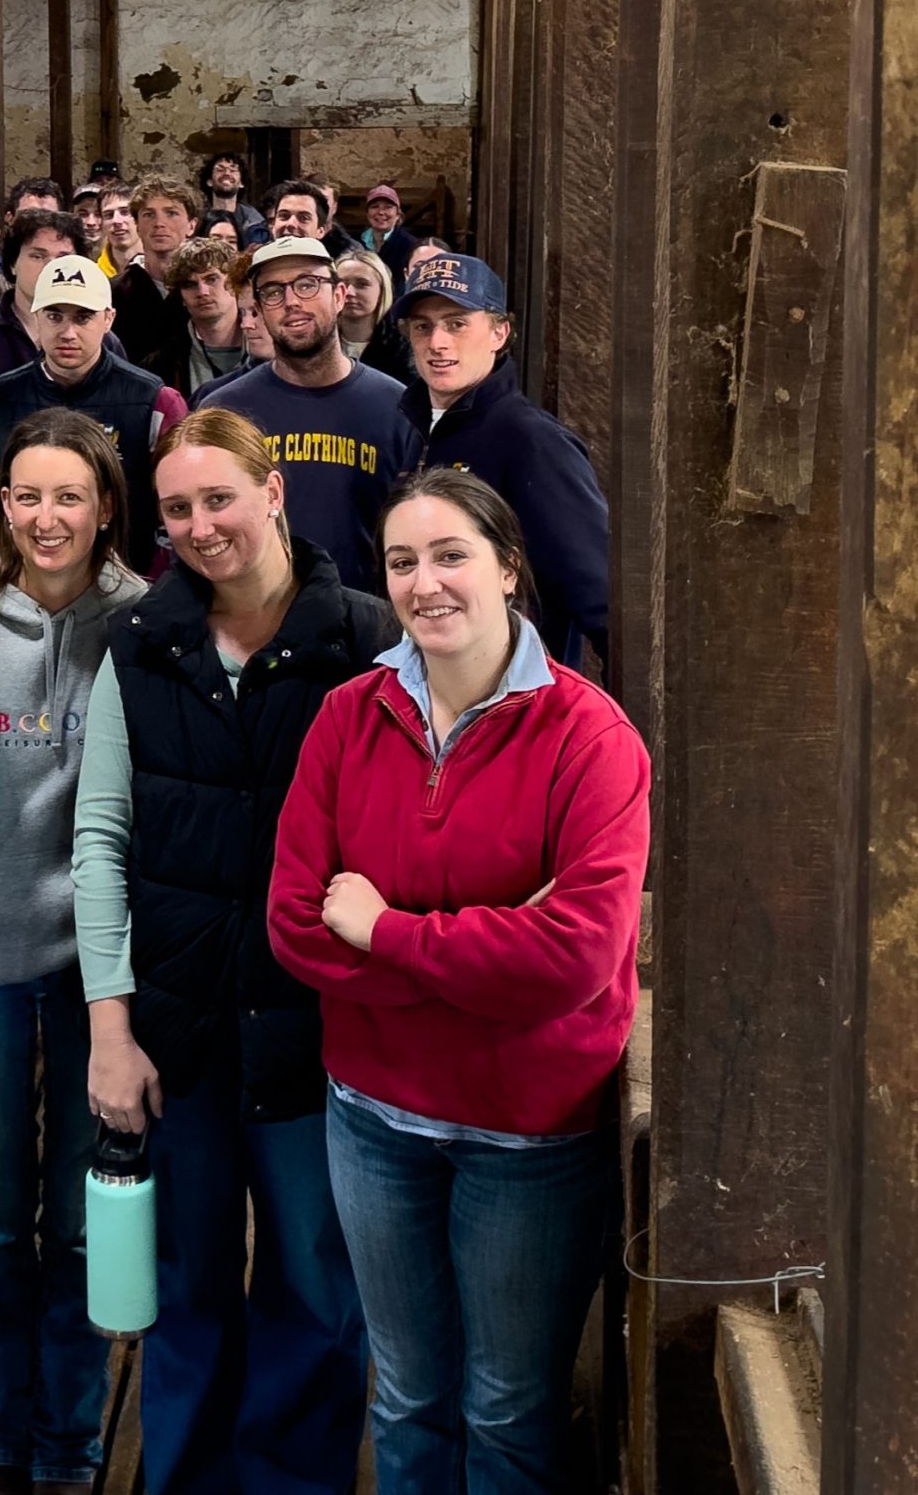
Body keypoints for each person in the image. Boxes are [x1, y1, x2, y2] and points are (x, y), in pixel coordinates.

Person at [268, 469, 649, 1494]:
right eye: (401, 562)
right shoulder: (350, 717)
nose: (425, 583)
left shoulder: (590, 739)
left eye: (451, 557)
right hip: (375, 1117)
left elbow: (574, 958)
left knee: (507, 1405)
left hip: (528, 1133)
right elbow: (297, 926)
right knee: (405, 1394)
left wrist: (387, 933)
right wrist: (488, 954)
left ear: (508, 571)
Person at [72, 407, 393, 1495]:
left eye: (220, 498)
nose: (202, 525)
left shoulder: (363, 640)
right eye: (177, 508)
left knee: (312, 1280)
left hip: (316, 1023)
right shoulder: (139, 644)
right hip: (182, 1019)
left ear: (273, 495)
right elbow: (101, 835)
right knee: (187, 1279)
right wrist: (108, 1026)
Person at [0, 412, 147, 1495]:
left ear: (105, 505)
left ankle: (67, 1441)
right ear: (3, 506)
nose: (47, 517)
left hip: (93, 969)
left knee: (77, 1215)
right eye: (27, 496)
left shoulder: (144, 621)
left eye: (70, 496)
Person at [393, 252, 610, 666]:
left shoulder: (532, 440)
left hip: (516, 694)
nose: (437, 343)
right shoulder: (417, 429)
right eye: (423, 327)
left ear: (499, 333)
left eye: (457, 324)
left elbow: (598, 594)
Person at [205, 238, 423, 596]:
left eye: (307, 284)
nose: (291, 302)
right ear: (258, 310)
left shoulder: (398, 407)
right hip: (256, 621)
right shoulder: (223, 412)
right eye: (273, 292)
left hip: (367, 623)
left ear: (338, 296)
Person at [0, 256, 188, 569]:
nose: (68, 332)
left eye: (83, 318)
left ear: (108, 319)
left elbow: (178, 506)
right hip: (24, 582)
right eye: (55, 316)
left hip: (127, 581)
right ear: (35, 317)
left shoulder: (156, 402)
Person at [0, 196, 85, 399]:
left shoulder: (99, 336)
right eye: (38, 256)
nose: (51, 267)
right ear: (13, 263)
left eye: (63, 258)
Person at [112, 174, 201, 375]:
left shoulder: (206, 290)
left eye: (171, 213)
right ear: (137, 224)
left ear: (192, 225)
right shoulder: (114, 292)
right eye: (149, 214)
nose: (159, 223)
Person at [147, 236, 251, 401]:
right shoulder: (160, 365)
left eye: (211, 279)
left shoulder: (269, 348)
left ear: (233, 283)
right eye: (190, 285)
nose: (202, 291)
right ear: (181, 296)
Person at [0, 177, 70, 317]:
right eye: (29, 215)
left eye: (48, 216)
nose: (38, 224)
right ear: (10, 218)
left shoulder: (75, 272)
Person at [334, 247, 416, 390]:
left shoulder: (403, 348)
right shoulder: (317, 342)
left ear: (382, 291)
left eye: (362, 284)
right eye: (343, 284)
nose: (350, 292)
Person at [200, 153, 265, 244]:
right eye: (220, 169)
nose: (227, 173)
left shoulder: (254, 222)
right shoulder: (199, 219)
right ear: (209, 181)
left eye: (233, 170)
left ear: (241, 183)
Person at [362, 182, 419, 280]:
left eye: (388, 207)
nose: (380, 212)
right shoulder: (356, 243)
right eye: (375, 206)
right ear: (367, 214)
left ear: (398, 215)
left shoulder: (410, 246)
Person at [93, 185, 139, 280]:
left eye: (125, 212)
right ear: (101, 223)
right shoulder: (93, 276)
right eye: (109, 215)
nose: (116, 221)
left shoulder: (159, 271)